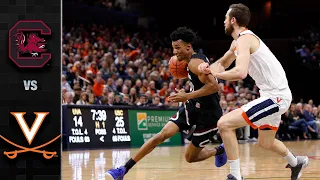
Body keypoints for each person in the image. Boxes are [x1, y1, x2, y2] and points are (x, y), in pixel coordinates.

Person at [198, 3, 309, 180]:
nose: (223, 21)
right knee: (266, 142)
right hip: (272, 96)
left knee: (224, 124)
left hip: (276, 97)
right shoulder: (238, 42)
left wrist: (216, 73)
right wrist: (206, 70)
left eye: (226, 18)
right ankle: (297, 162)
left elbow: (240, 72)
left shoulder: (245, 39)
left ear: (233, 20)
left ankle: (235, 175)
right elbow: (224, 62)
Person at [106, 27, 227, 180]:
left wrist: (187, 95)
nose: (175, 52)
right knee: (161, 135)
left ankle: (219, 150)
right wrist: (189, 95)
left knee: (190, 158)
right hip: (192, 107)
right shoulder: (194, 59)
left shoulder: (194, 63)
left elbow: (214, 87)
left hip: (209, 115)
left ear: (188, 46)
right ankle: (123, 169)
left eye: (177, 48)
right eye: (173, 48)